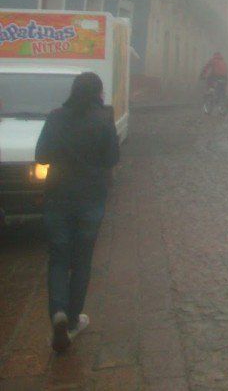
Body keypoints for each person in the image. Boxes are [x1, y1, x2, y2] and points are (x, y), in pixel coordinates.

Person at [35, 72, 120, 353]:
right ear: (98, 93)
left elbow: (41, 156)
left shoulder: (55, 117)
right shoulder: (103, 120)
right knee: (82, 259)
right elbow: (112, 158)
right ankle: (72, 321)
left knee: (59, 258)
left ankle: (58, 312)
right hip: (91, 199)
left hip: (58, 197)